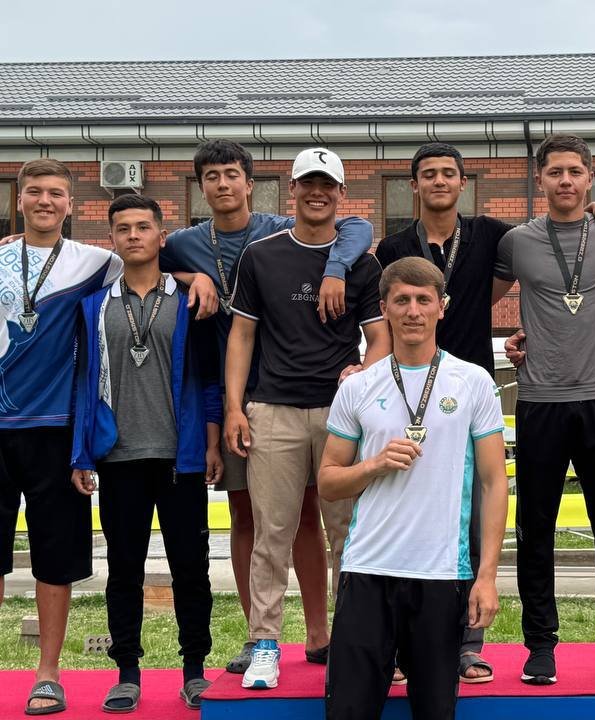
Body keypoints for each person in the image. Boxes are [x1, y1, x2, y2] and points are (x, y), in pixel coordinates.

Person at [374, 141, 595, 682]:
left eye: (449, 173)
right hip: (406, 390)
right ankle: (402, 643)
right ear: (414, 185)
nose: (439, 181)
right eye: (428, 174)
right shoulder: (392, 247)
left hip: (469, 392)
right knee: (405, 516)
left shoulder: (493, 235)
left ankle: (467, 644)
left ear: (463, 183)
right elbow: (380, 308)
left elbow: (556, 239)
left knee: (470, 518)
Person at [160, 139, 373, 673]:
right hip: (252, 399)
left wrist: (336, 268)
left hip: (327, 406)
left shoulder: (299, 234)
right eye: (212, 176)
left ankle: (333, 636)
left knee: (330, 525)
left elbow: (357, 229)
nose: (223, 184)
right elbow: (139, 257)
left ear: (253, 184)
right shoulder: (193, 244)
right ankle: (262, 642)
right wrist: (194, 277)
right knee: (255, 522)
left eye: (232, 174)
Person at [223, 146, 390, 690]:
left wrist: (363, 374)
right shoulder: (261, 255)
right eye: (307, 183)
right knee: (272, 534)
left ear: (342, 194)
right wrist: (235, 407)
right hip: (273, 409)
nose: (317, 193)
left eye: (327, 185)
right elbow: (242, 335)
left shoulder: (362, 263)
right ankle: (265, 644)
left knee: (349, 534)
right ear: (291, 189)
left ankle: (354, 642)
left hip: (341, 416)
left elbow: (380, 338)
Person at [319, 256, 507, 720]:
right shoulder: (358, 387)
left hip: (441, 574)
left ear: (442, 306)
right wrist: (373, 465)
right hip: (367, 569)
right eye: (401, 300)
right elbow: (328, 481)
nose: (413, 311)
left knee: (434, 711)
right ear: (384, 308)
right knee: (348, 712)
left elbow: (494, 481)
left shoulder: (473, 382)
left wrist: (486, 576)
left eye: (424, 300)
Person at [492, 134, 595, 686]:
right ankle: (540, 646)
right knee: (536, 531)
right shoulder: (517, 242)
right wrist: (510, 338)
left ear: (589, 178)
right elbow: (474, 301)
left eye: (575, 172)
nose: (565, 181)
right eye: (555, 171)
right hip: (539, 402)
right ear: (540, 179)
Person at [70, 194, 222, 713]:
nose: (133, 235)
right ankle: (127, 673)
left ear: (162, 235)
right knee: (124, 569)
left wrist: (212, 441)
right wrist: (81, 454)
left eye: (142, 226)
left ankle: (195, 669)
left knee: (190, 568)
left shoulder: (191, 299)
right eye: (123, 228)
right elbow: (83, 383)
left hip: (180, 456)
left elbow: (208, 378)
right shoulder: (93, 305)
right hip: (118, 457)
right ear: (111, 238)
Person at [0, 159, 122, 715]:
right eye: (34, 192)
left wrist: (200, 279)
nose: (44, 201)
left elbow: (153, 263)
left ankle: (47, 674)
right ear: (19, 200)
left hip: (57, 430)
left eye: (55, 193)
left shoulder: (97, 262)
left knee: (55, 557)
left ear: (71, 204)